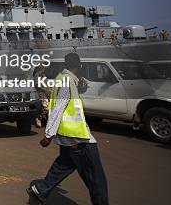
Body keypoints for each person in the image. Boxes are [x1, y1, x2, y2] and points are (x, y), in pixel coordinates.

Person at [27, 53, 109, 205]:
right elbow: (59, 107)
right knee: (96, 177)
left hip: (69, 136)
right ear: (79, 65)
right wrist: (49, 134)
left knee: (64, 165)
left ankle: (41, 190)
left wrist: (82, 82)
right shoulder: (67, 81)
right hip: (78, 137)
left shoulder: (66, 78)